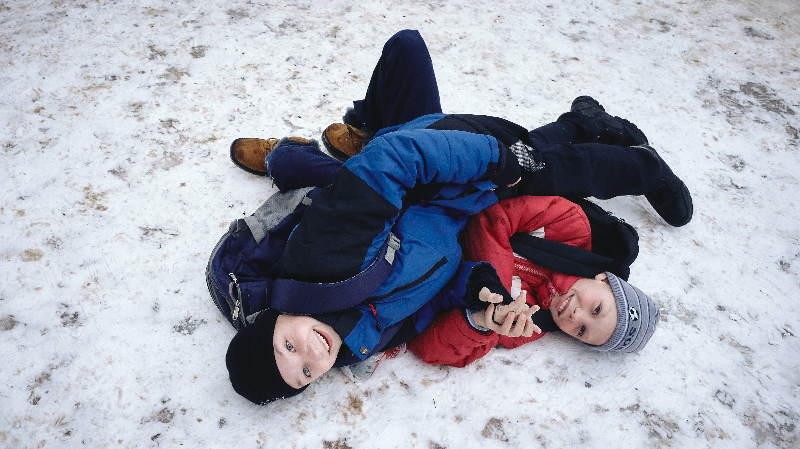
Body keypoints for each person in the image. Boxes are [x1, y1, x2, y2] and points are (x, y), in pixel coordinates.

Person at [223, 29, 687, 405]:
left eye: (289, 347)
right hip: (446, 181)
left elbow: (395, 159)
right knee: (407, 50)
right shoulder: (356, 341)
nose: (311, 355)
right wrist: (478, 300)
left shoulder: (322, 261)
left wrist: (496, 162)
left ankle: (648, 167)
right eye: (305, 374)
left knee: (550, 166)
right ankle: (584, 121)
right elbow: (428, 313)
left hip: (451, 166)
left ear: (276, 320)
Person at [407, 195, 659, 368]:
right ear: (604, 279)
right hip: (433, 207)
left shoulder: (526, 327)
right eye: (597, 309)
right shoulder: (569, 224)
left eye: (582, 331)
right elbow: (491, 217)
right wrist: (497, 291)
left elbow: (427, 348)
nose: (576, 316)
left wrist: (484, 321)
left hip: (406, 264)